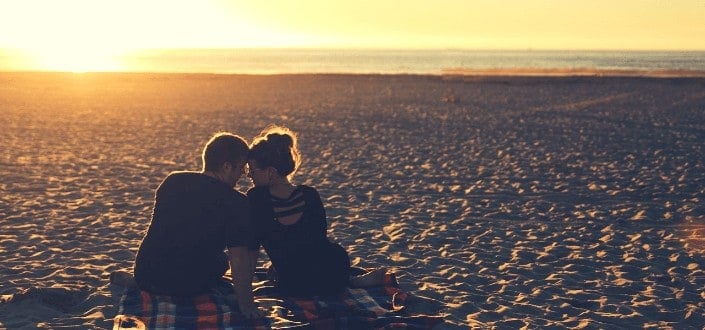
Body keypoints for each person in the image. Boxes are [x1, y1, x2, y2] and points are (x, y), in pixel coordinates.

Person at [132, 132, 263, 318]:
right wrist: (247, 305)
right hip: (185, 285)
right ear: (226, 167)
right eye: (241, 169)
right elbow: (239, 258)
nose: (242, 175)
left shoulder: (172, 181)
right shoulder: (236, 202)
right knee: (221, 261)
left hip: (145, 275)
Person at [246, 126, 385, 297]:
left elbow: (253, 245)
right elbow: (315, 241)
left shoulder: (256, 198)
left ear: (271, 172)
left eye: (252, 170)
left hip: (292, 280)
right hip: (330, 272)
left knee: (305, 271)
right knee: (331, 256)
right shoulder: (309, 194)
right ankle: (353, 281)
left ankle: (353, 281)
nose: (249, 176)